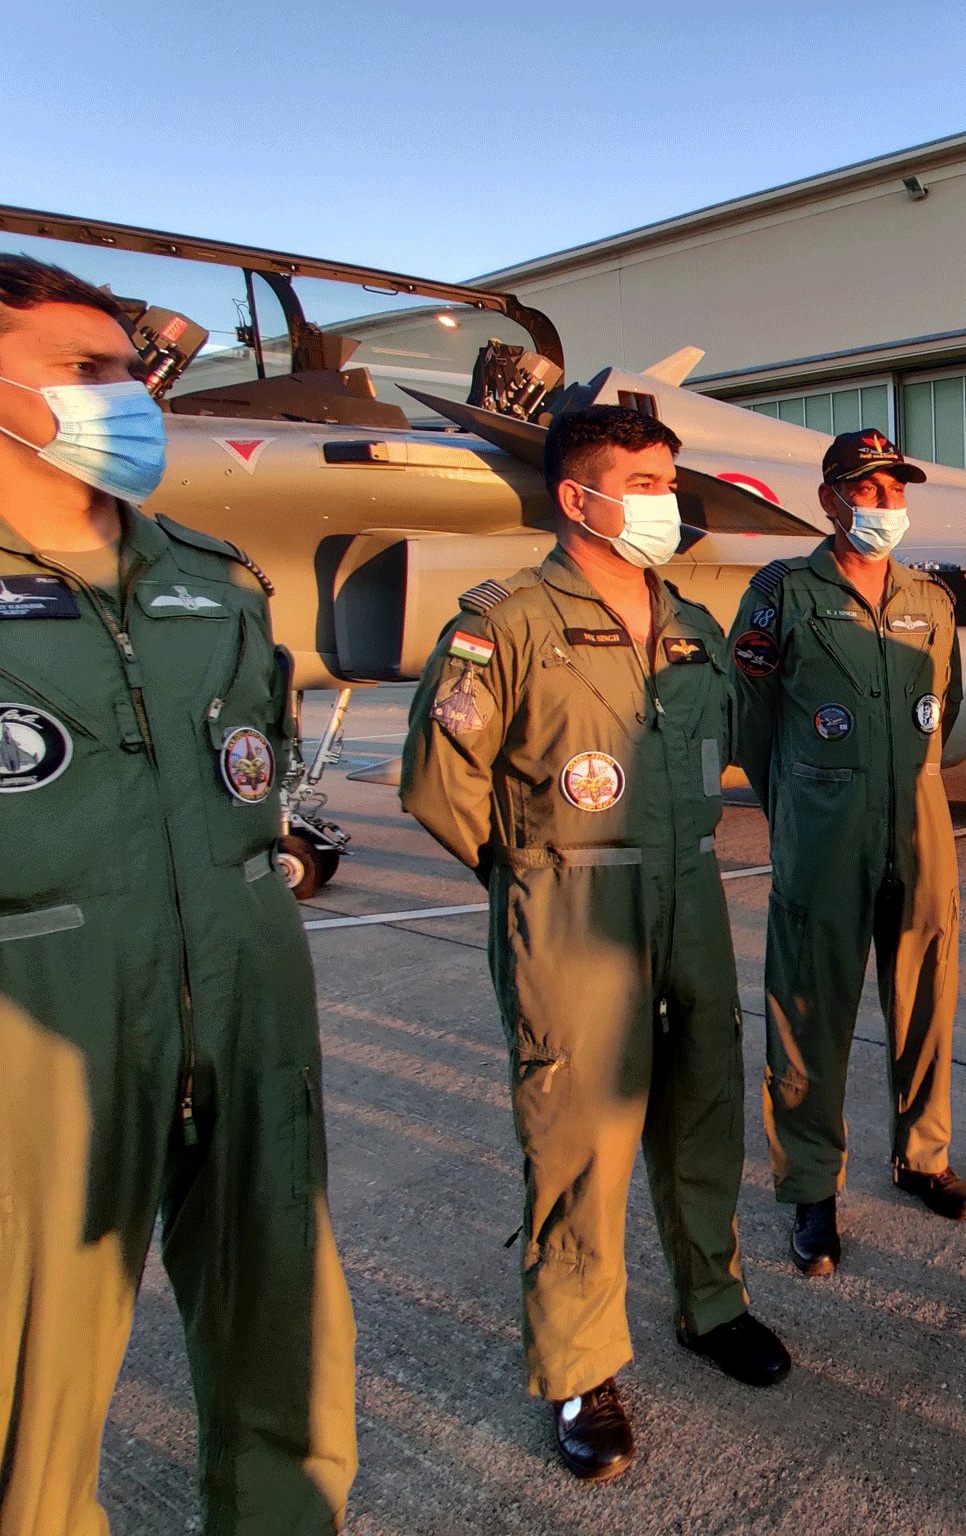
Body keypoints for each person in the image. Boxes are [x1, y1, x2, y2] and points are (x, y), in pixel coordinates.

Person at [0, 254, 357, 1532]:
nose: (129, 399)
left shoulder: (213, 582)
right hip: (39, 1031)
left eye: (130, 371)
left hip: (247, 1005)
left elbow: (251, 785)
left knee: (283, 1331)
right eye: (86, 374)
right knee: (26, 1399)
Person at [402, 405, 789, 1484]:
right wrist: (534, 878)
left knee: (702, 1107)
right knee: (579, 1148)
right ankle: (580, 1369)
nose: (669, 501)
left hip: (688, 900)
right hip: (572, 910)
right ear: (581, 498)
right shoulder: (504, 620)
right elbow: (440, 785)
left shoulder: (692, 626)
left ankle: (710, 1303)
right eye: (648, 481)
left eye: (669, 480)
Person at [730, 428, 966, 1279]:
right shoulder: (783, 593)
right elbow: (752, 720)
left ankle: (923, 1156)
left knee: (926, 1004)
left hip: (919, 832)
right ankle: (811, 1187)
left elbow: (938, 707)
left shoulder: (932, 597)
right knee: (809, 1015)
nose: (884, 505)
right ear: (829, 500)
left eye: (894, 490)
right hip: (823, 837)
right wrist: (802, 809)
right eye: (866, 491)